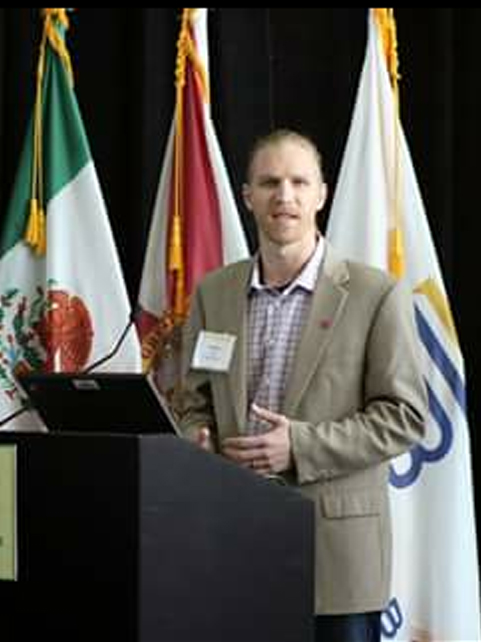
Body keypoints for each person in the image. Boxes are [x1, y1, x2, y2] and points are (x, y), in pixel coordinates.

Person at [178, 128, 426, 642]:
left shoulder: (374, 294)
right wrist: (196, 437)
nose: (284, 196)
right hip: (232, 540)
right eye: (269, 182)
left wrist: (299, 445)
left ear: (321, 194)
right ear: (247, 197)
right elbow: (193, 401)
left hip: (336, 558)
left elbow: (404, 417)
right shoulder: (215, 292)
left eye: (298, 181)